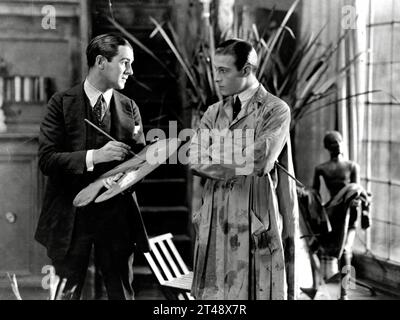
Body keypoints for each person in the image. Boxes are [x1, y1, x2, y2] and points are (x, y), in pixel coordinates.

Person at [35, 33, 149, 300]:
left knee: (121, 294)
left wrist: (118, 180)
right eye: (124, 63)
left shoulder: (129, 107)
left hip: (117, 216)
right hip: (70, 216)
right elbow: (47, 160)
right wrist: (94, 156)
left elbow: (141, 163)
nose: (130, 71)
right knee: (65, 293)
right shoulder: (61, 104)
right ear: (101, 61)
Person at [189, 39, 298, 300]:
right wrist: (239, 155)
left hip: (253, 213)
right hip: (215, 214)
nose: (216, 78)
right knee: (215, 297)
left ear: (247, 70)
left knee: (255, 291)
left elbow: (260, 160)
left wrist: (215, 154)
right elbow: (193, 158)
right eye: (214, 69)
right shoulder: (213, 112)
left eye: (223, 70)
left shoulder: (276, 110)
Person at [301, 130, 371, 300]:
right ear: (328, 148)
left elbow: (356, 191)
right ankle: (320, 288)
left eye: (337, 142)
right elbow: (315, 194)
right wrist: (304, 194)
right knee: (317, 247)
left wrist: (362, 207)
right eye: (332, 144)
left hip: (349, 215)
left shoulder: (352, 166)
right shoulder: (321, 168)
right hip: (332, 214)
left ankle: (344, 294)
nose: (335, 146)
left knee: (346, 251)